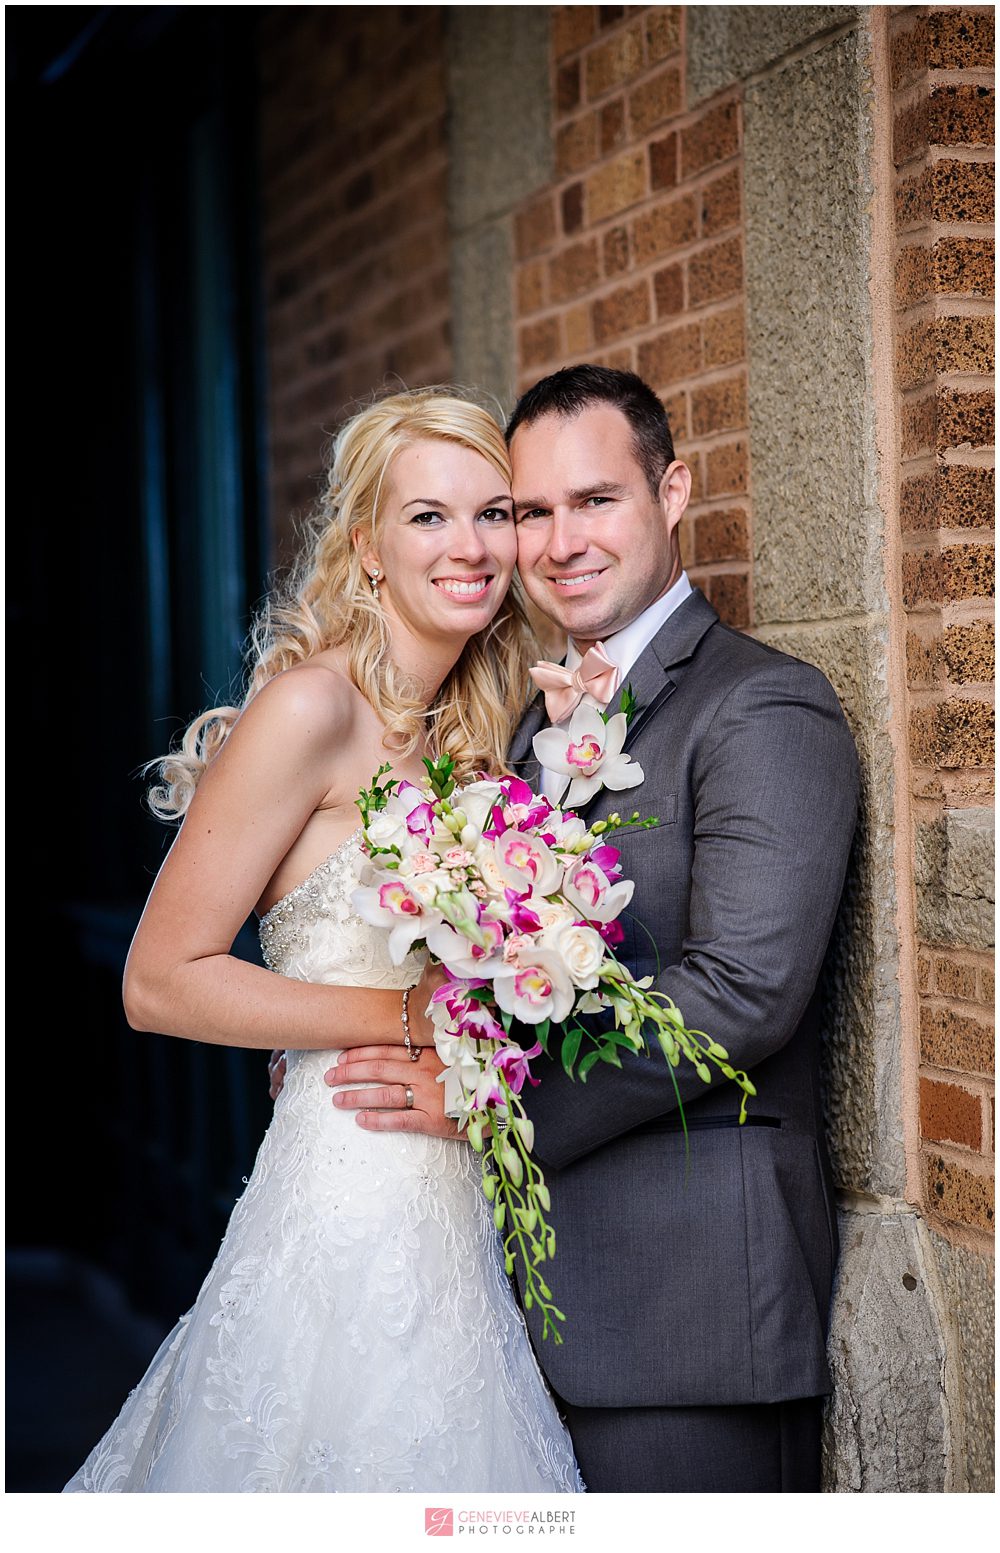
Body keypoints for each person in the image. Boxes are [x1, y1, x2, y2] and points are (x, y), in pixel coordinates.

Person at [318, 365, 859, 1492]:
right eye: (529, 511)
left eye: (595, 500)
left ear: (671, 493)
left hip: (687, 1316)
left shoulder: (759, 704)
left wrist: (486, 1105)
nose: (559, 540)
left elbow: (740, 993)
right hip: (509, 1310)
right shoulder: (522, 715)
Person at [63, 389, 584, 1494]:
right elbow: (159, 980)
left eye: (493, 513)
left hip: (453, 1192)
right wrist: (407, 1016)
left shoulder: (477, 732)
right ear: (367, 548)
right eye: (429, 517)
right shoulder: (313, 707)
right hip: (350, 1177)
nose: (472, 546)